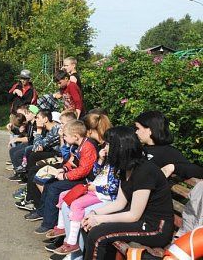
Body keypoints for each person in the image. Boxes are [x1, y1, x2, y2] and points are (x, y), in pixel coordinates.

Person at [81, 127, 175, 260]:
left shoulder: (144, 171)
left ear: (119, 147)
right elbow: (119, 203)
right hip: (141, 221)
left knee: (98, 234)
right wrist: (94, 214)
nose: (105, 148)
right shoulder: (125, 169)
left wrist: (99, 220)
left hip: (155, 228)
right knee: (87, 224)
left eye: (108, 144)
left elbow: (134, 215)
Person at [51, 126, 120, 256]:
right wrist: (100, 160)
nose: (104, 148)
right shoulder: (108, 161)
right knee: (64, 196)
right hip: (94, 190)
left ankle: (73, 245)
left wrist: (96, 188)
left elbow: (113, 188)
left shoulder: (117, 165)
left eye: (108, 145)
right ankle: (63, 232)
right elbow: (95, 173)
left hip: (103, 196)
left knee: (75, 205)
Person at [27, 120, 97, 235]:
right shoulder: (78, 145)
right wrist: (63, 169)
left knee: (54, 188)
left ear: (75, 136)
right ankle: (42, 212)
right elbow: (72, 161)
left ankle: (49, 223)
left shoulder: (87, 147)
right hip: (76, 175)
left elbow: (83, 170)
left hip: (85, 180)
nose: (63, 137)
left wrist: (65, 176)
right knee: (49, 183)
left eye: (65, 135)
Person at [134, 111, 203, 179]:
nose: (136, 132)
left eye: (138, 128)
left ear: (150, 130)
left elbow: (198, 171)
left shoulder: (167, 152)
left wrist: (173, 167)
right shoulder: (142, 149)